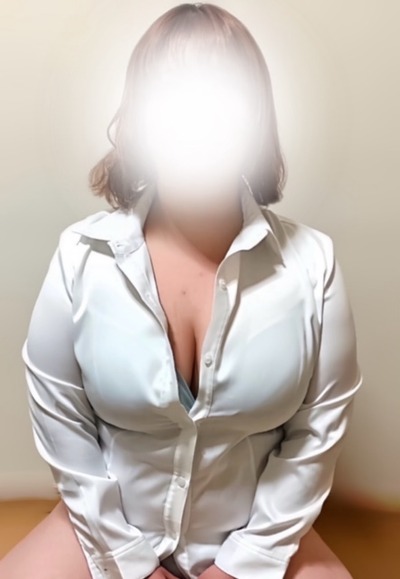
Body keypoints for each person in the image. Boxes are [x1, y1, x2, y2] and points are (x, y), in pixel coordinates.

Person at [1, 3, 362, 579]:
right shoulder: (80, 256)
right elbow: (63, 426)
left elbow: (316, 435)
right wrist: (129, 561)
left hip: (259, 538)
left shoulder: (314, 263)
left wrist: (246, 561)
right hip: (106, 532)